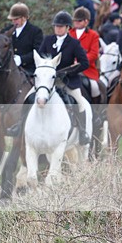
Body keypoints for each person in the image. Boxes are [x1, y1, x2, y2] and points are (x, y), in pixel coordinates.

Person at [7, 11, 90, 144]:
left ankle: (82, 132)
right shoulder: (48, 40)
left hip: (66, 81)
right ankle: (19, 126)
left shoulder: (74, 43)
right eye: (56, 26)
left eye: (61, 26)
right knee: (28, 97)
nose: (58, 28)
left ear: (68, 28)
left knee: (79, 103)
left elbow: (85, 63)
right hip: (46, 80)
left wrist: (68, 72)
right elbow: (39, 57)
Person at [71, 7, 102, 103]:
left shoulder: (93, 35)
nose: (76, 22)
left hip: (86, 69)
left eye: (79, 21)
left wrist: (80, 61)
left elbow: (94, 54)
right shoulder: (69, 33)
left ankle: (95, 109)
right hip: (69, 67)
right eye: (75, 20)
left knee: (95, 88)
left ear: (86, 21)